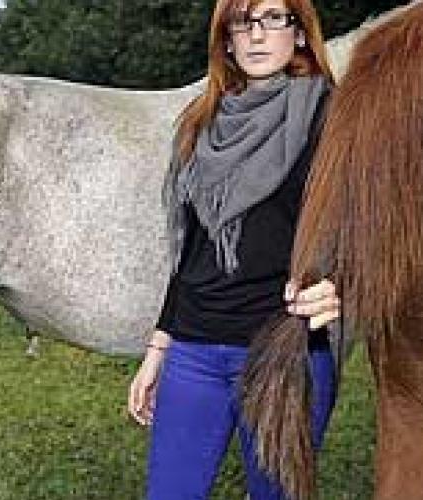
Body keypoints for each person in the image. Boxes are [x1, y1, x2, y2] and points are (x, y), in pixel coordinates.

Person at [127, 0, 342, 498]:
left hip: (284, 353)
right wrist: (158, 349)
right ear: (226, 40)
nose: (257, 34)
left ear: (300, 33)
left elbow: (363, 228)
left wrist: (341, 285)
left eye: (273, 18)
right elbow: (190, 252)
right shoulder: (200, 123)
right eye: (242, 23)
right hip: (194, 353)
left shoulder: (332, 119)